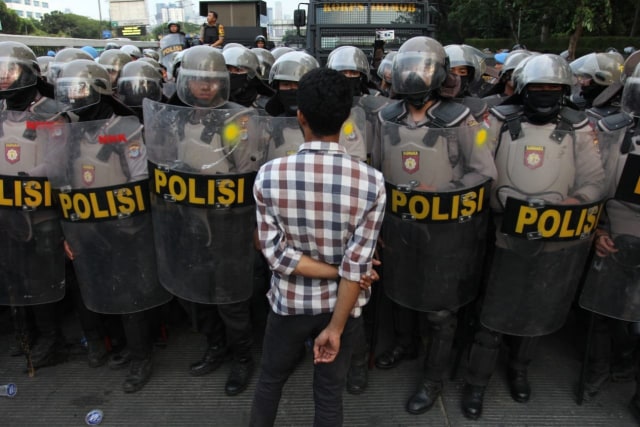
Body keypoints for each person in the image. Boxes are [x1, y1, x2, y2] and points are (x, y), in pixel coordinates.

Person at [460, 53, 607, 420]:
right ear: (523, 88)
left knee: (537, 310)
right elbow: (477, 163)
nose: (545, 93)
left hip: (556, 236)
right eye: (538, 86)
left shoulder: (580, 128)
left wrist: (576, 200)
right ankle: (476, 382)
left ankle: (519, 369)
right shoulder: (493, 120)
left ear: (565, 91)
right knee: (492, 313)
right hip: (502, 234)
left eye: (553, 88)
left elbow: (595, 180)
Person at [249, 67, 386, 427]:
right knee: (328, 395)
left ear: (299, 116)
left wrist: (341, 271)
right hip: (340, 309)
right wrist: (336, 327)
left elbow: (274, 254)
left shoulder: (269, 175)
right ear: (346, 117)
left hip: (288, 304)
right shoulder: (372, 183)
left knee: (269, 382)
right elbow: (357, 267)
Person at [375, 36, 497, 415]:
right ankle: (405, 344)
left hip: (447, 230)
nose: (414, 74)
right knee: (399, 290)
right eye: (408, 66)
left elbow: (484, 172)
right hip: (398, 225)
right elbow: (376, 169)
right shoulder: (384, 116)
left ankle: (433, 379)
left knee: (440, 311)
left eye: (422, 67)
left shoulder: (465, 120)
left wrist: (443, 191)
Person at [143, 45, 260, 396]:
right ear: (184, 81)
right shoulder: (176, 118)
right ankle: (215, 345)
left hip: (226, 223)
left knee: (230, 299)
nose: (206, 87)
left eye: (212, 80)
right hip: (188, 220)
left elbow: (246, 171)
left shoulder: (236, 120)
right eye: (198, 80)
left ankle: (242, 359)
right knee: (196, 294)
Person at [52, 59, 172, 393]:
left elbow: (139, 177)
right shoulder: (69, 130)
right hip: (85, 224)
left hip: (124, 225)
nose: (74, 98)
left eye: (80, 90)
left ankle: (140, 357)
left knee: (130, 294)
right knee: (98, 287)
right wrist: (67, 230)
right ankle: (115, 344)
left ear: (98, 90)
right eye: (69, 91)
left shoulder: (125, 128)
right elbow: (61, 180)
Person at [0, 41, 69, 371]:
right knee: (13, 275)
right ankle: (23, 333)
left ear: (27, 73)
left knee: (41, 277)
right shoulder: (1, 110)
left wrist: (27, 178)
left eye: (9, 71)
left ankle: (50, 339)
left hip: (41, 210)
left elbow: (57, 160)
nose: (3, 78)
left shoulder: (49, 112)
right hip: (6, 208)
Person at [578, 62, 640, 404]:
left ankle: (626, 365)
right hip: (614, 229)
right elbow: (593, 184)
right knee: (601, 313)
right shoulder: (611, 131)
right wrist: (596, 230)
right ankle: (599, 368)